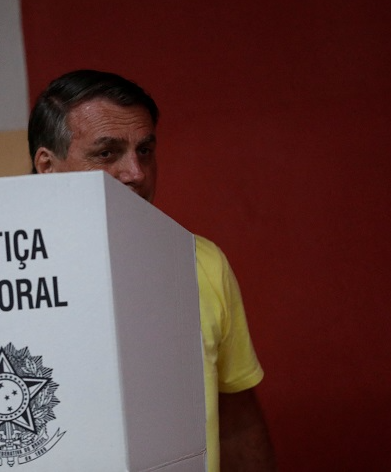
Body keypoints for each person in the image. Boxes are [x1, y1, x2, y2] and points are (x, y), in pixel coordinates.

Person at [28, 69, 276, 471]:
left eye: (144, 150)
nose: (136, 174)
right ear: (48, 165)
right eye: (107, 153)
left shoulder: (201, 262)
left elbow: (235, 417)